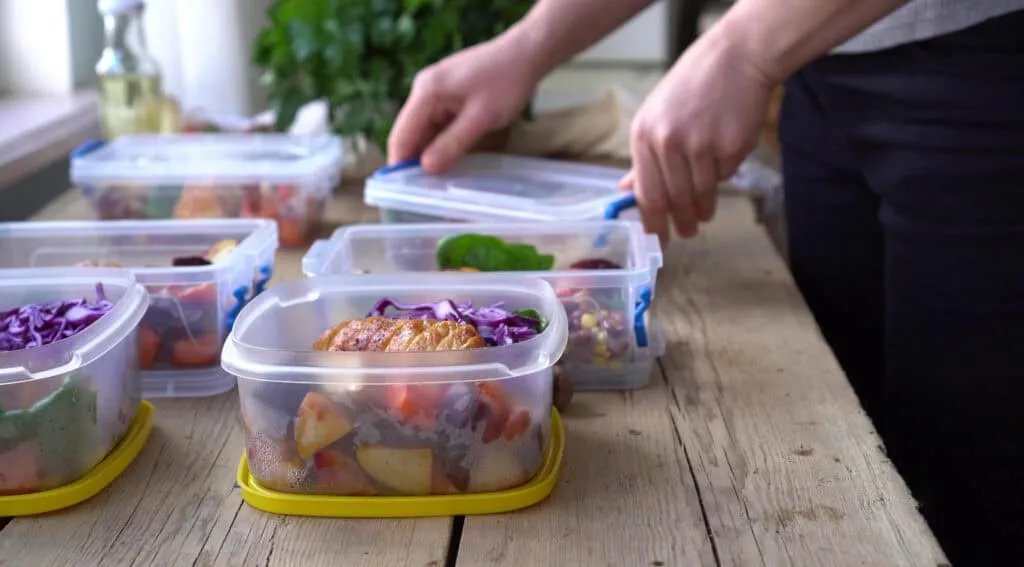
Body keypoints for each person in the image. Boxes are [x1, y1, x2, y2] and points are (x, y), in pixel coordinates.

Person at [387, 1, 1024, 564]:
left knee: (970, 475)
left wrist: (743, 47)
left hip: (984, 70)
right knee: (864, 445)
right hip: (818, 65)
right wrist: (528, 47)